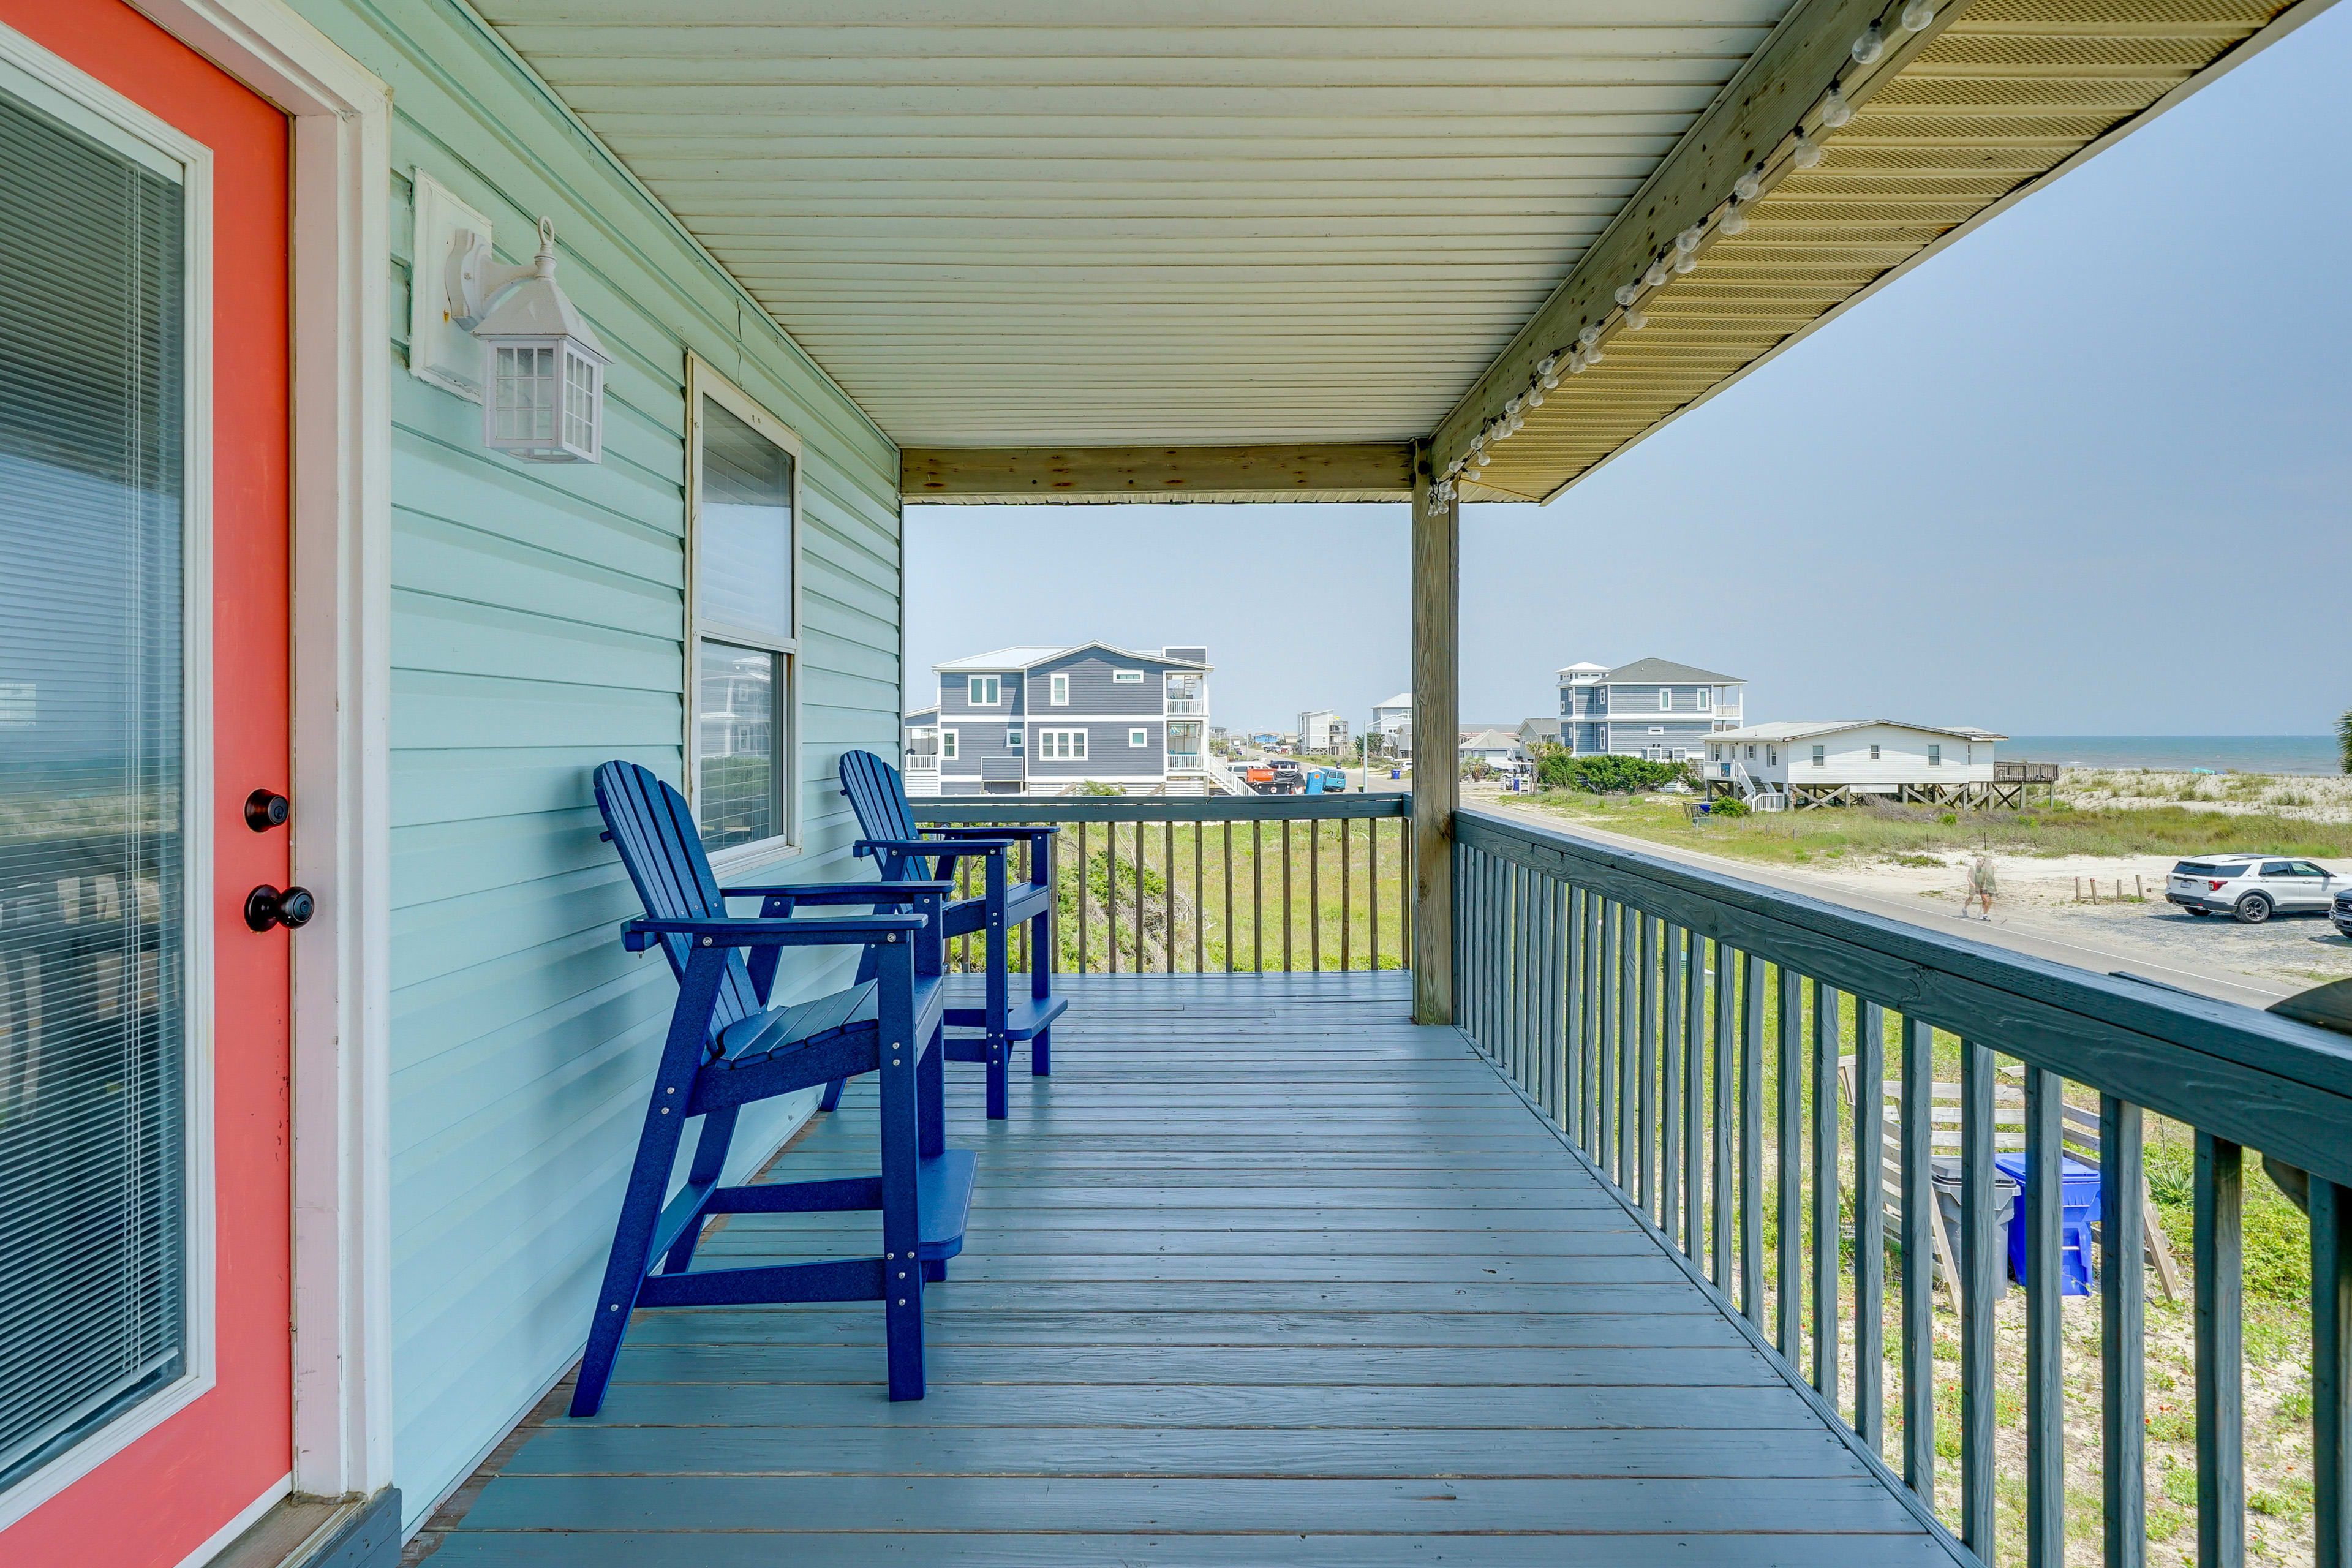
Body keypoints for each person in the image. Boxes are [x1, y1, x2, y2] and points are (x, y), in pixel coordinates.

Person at [1962, 854, 1997, 921]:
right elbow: (1968, 877)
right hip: (1974, 886)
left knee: (1985, 900)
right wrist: (1972, 884)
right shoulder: (1973, 868)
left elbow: (1988, 877)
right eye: (1978, 861)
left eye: (1980, 861)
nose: (1979, 862)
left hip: (1982, 887)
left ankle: (1985, 915)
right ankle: (1965, 908)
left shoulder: (1985, 869)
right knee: (1970, 899)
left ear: (1983, 862)